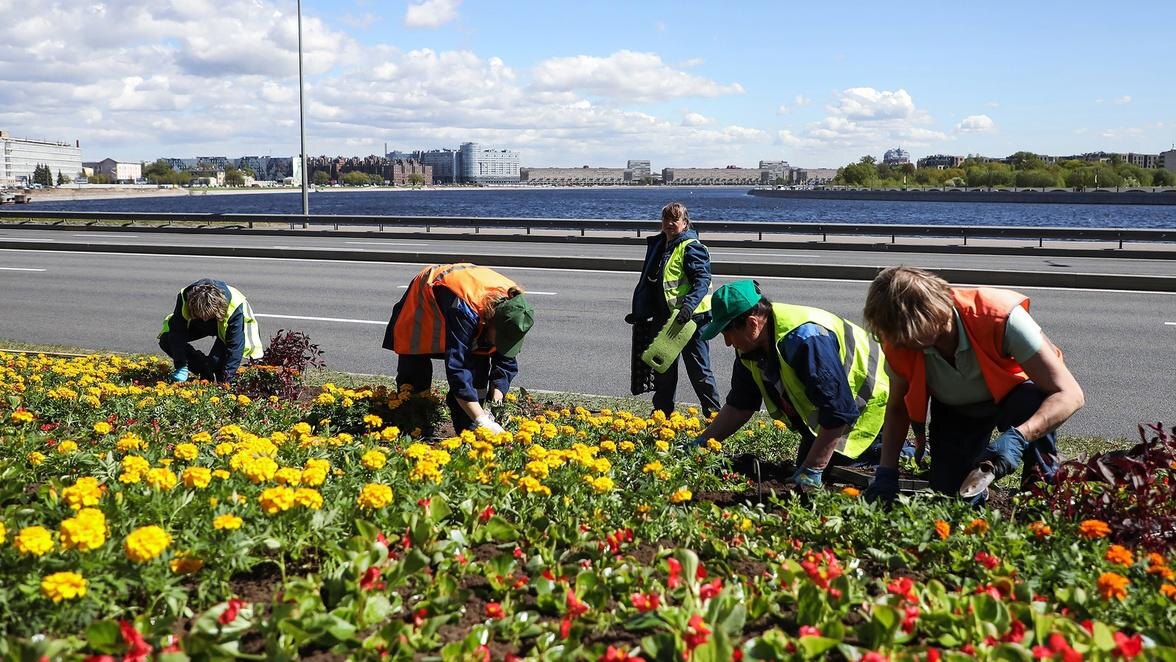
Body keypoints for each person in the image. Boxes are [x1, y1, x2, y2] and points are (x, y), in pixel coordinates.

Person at [861, 266, 1084, 503]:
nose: (904, 343)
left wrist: (1020, 436)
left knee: (1032, 401)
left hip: (1015, 397)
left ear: (933, 312)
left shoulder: (999, 316)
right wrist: (886, 471)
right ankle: (980, 491)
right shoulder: (898, 340)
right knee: (950, 492)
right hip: (957, 409)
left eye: (910, 334)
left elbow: (1070, 395)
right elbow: (898, 408)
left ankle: (1041, 490)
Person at [693, 280, 890, 488]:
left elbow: (838, 410)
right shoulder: (750, 348)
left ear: (752, 324)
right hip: (833, 418)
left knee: (848, 480)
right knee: (804, 473)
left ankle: (897, 453)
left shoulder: (805, 339)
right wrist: (701, 443)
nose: (727, 343)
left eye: (727, 333)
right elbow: (740, 405)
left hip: (873, 410)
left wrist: (813, 468)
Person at [382, 263, 534, 434]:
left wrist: (495, 405)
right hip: (425, 297)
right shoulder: (464, 310)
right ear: (489, 322)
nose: (500, 345)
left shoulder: (515, 310)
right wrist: (482, 420)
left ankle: (467, 429)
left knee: (480, 361)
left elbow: (505, 361)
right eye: (500, 339)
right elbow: (458, 368)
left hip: (468, 295)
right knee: (415, 364)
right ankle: (414, 426)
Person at [627, 202, 722, 417]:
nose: (669, 223)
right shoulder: (662, 245)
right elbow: (652, 282)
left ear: (685, 223)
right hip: (666, 317)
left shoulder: (691, 246)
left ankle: (715, 417)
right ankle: (662, 414)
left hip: (690, 319)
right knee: (664, 370)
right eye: (666, 219)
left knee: (699, 371)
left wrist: (688, 308)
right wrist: (641, 311)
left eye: (675, 219)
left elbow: (702, 280)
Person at [158, 279, 263, 385]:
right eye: (202, 316)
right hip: (196, 321)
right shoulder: (185, 298)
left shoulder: (234, 306)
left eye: (208, 316)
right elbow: (177, 333)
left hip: (222, 321)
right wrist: (181, 365)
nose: (205, 319)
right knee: (167, 341)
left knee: (217, 364)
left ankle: (215, 371)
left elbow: (235, 346)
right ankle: (204, 369)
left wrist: (227, 379)